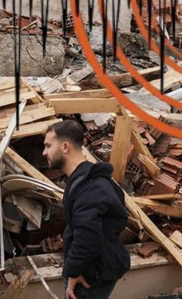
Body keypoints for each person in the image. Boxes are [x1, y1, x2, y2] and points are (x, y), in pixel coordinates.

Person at [43, 120, 131, 299]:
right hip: (90, 268)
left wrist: (74, 271)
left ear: (65, 147)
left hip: (91, 275)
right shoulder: (83, 179)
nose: (44, 152)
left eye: (48, 146)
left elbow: (87, 235)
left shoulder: (90, 187)